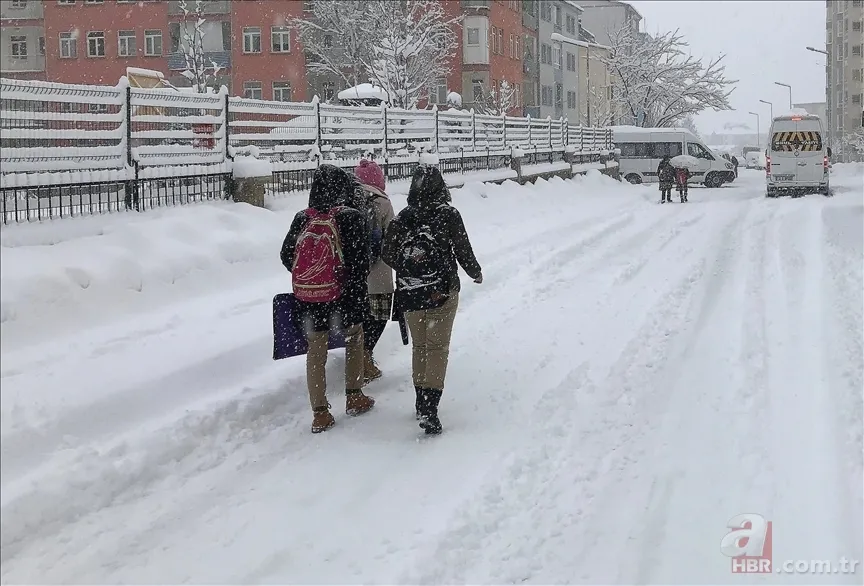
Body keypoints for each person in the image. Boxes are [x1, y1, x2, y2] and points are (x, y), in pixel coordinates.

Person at [383, 165, 482, 435]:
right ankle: (430, 407)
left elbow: (387, 252)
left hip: (410, 292)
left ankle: (420, 400)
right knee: (437, 349)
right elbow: (462, 248)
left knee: (420, 347)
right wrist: (475, 272)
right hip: (442, 291)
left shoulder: (404, 217)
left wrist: (410, 266)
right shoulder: (448, 215)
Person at [280, 164, 375, 434]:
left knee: (316, 351)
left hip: (309, 299)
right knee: (355, 338)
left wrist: (313, 276)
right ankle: (354, 395)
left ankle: (320, 413)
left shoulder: (302, 218)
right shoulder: (350, 217)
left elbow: (287, 255)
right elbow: (361, 262)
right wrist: (343, 282)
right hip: (344, 297)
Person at [354, 158, 395, 385]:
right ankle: (365, 356)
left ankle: (357, 357)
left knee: (357, 317)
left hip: (352, 274)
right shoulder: (382, 202)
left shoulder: (346, 199)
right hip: (378, 273)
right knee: (377, 317)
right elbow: (393, 237)